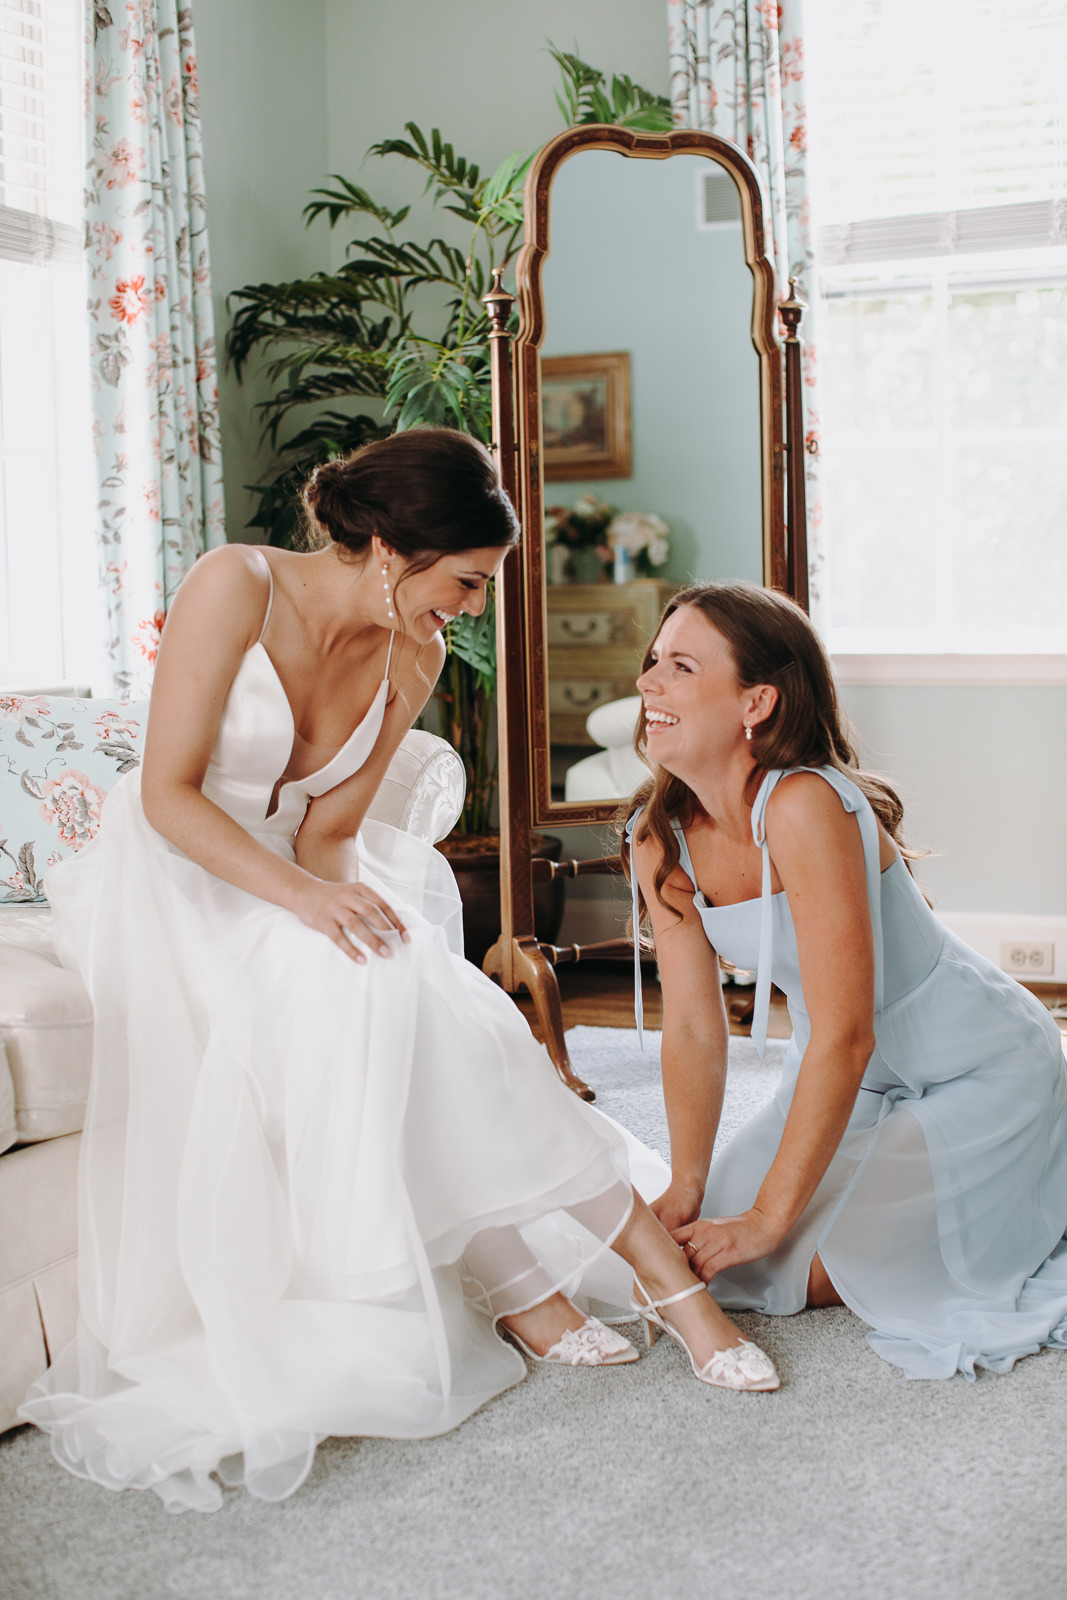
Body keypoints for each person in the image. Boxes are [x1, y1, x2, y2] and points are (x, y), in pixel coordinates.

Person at [20, 432, 777, 1515]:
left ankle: (645, 1288)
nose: (467, 608)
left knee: (443, 999)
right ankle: (573, 1292)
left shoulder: (409, 658)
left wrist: (344, 908)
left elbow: (328, 836)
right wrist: (308, 906)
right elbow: (167, 797)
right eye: (463, 581)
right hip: (175, 887)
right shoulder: (232, 585)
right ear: (387, 548)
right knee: (376, 986)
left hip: (286, 876)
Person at [626, 580, 1067, 1381]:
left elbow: (844, 1031)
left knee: (820, 1264)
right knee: (728, 1260)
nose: (646, 682)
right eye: (653, 661)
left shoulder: (804, 804)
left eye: (680, 667)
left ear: (754, 700)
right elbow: (692, 1027)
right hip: (857, 1085)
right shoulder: (657, 839)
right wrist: (687, 1185)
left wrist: (765, 1218)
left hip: (980, 1068)